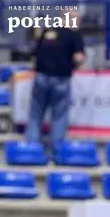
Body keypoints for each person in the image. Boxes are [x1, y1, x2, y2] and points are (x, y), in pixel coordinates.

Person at [24, 8, 85, 151]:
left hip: (41, 77)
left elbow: (35, 54)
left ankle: (31, 149)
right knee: (59, 117)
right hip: (61, 79)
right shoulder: (73, 35)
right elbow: (78, 58)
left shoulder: (46, 32)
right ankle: (55, 151)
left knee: (35, 115)